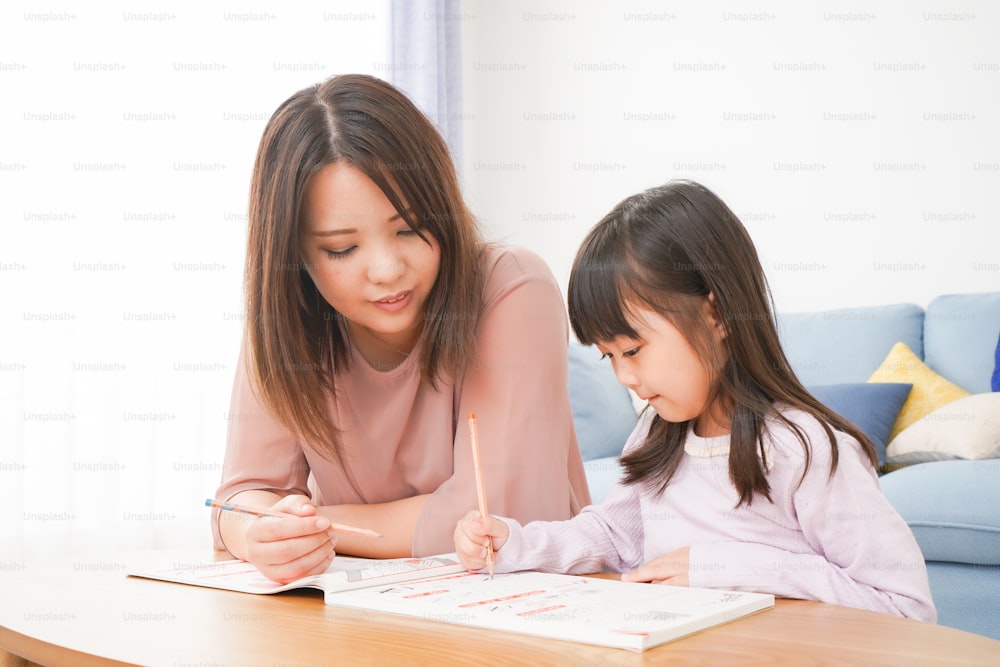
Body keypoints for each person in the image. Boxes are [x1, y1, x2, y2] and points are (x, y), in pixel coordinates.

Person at [454, 180, 936, 622]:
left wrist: (730, 567)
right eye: (609, 357)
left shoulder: (804, 449)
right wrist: (514, 544)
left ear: (717, 314)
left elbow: (907, 609)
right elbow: (614, 536)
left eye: (634, 349)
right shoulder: (656, 432)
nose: (625, 376)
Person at [214, 73, 590, 583]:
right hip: (363, 617)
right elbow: (239, 501)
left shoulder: (512, 288)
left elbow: (496, 517)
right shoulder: (287, 326)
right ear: (293, 256)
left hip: (523, 609)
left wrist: (314, 527)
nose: (388, 270)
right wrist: (260, 534)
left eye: (410, 227)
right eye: (342, 249)